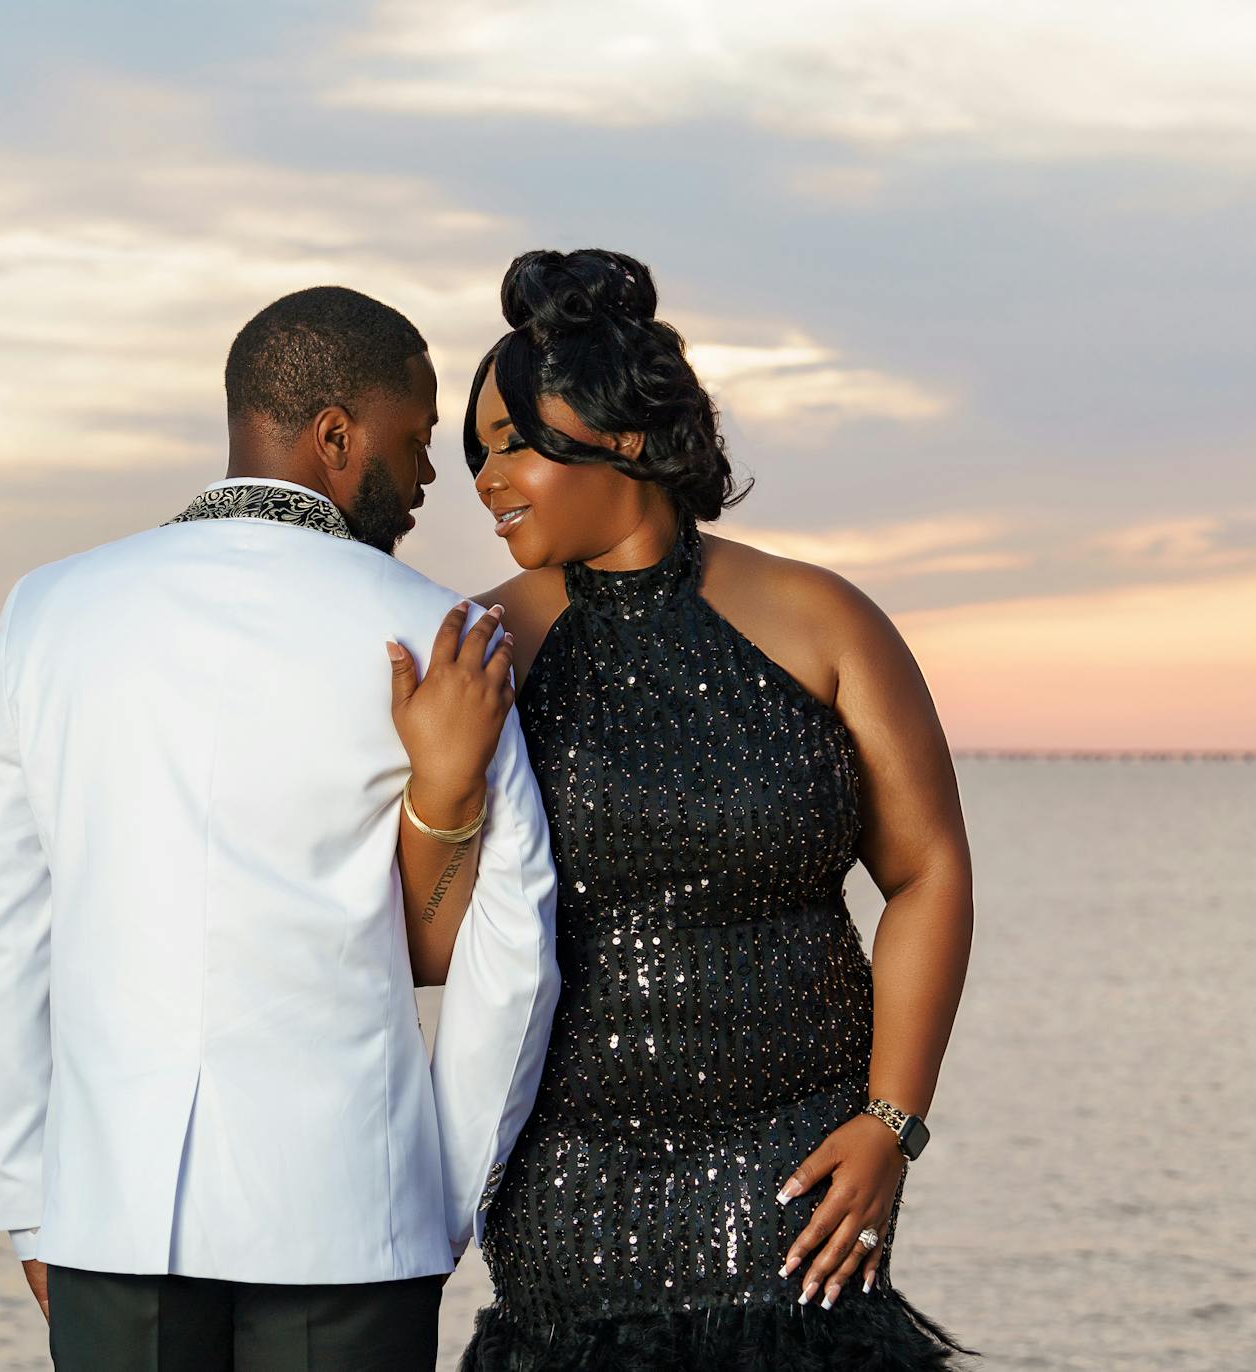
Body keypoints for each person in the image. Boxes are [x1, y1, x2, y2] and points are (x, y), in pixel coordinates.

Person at [0, 285, 560, 1372]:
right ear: (336, 435)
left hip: (109, 1208)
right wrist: (438, 1197)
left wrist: (26, 1202)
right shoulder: (443, 635)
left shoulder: (47, 612)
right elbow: (512, 952)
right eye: (416, 442)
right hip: (350, 1215)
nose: (430, 480)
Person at [401, 250, 979, 1369]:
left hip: (801, 1177)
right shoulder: (476, 651)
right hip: (565, 1188)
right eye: (479, 452)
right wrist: (445, 783)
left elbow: (928, 873)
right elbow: (428, 943)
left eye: (515, 441)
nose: (484, 476)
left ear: (622, 435)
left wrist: (892, 1124)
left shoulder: (824, 619)